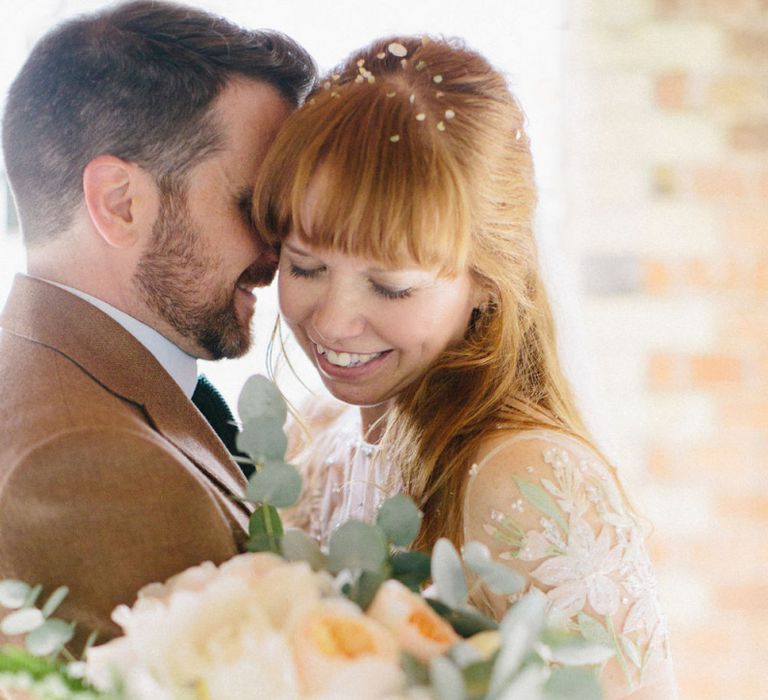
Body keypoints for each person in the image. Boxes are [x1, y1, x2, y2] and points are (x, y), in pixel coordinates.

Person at [253, 36, 677, 698]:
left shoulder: (525, 479)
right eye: (305, 266)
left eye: (391, 285)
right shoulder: (309, 444)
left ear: (486, 281)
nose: (334, 322)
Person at [0, 0, 315, 647]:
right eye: (253, 205)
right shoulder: (88, 465)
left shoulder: (50, 380)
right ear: (120, 203)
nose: (280, 250)